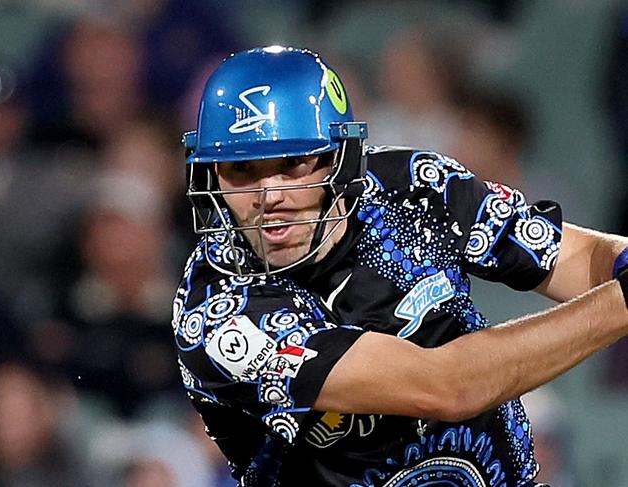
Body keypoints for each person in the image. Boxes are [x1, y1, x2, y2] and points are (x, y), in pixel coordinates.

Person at [171, 46, 628, 487]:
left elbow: (581, 258)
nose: (268, 198)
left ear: (340, 158)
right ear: (209, 175)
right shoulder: (217, 311)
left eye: (293, 164)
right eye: (241, 170)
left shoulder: (414, 188)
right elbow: (447, 388)